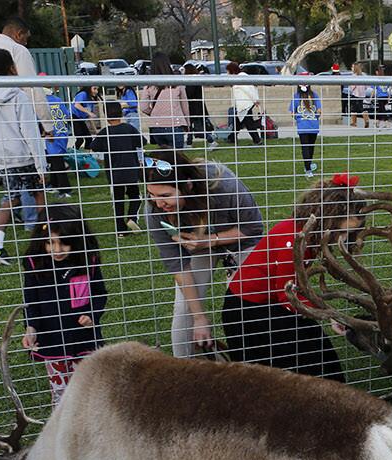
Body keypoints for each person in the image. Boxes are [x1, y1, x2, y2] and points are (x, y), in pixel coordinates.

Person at [221, 174, 360, 381]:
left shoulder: (306, 233)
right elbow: (287, 297)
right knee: (298, 365)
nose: (343, 238)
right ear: (329, 219)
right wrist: (328, 314)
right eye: (341, 232)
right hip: (248, 314)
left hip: (270, 305)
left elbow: (291, 289)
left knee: (316, 350)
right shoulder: (295, 240)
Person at [144, 149, 265, 356]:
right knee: (184, 308)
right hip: (196, 244)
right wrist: (199, 317)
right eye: (152, 195)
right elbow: (178, 266)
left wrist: (208, 240)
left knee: (246, 301)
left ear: (187, 185)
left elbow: (253, 228)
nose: (158, 203)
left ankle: (253, 360)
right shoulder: (155, 211)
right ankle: (182, 369)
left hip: (239, 239)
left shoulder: (223, 184)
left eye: (165, 196)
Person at [22, 204, 110, 403]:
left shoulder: (88, 260)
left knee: (90, 389)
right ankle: (62, 428)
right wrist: (31, 327)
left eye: (64, 243)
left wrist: (92, 315)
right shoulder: (35, 263)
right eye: (50, 243)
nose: (57, 250)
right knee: (60, 392)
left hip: (84, 337)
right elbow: (30, 300)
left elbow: (99, 293)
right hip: (52, 339)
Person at [0, 48, 48, 266]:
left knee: (10, 197)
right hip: (24, 156)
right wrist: (42, 165)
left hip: (3, 156)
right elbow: (30, 132)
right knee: (38, 194)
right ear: (13, 67)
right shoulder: (20, 96)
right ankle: (45, 239)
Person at [0, 15, 53, 138]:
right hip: (18, 119)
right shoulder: (18, 50)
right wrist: (47, 124)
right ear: (19, 34)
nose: (26, 42)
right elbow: (32, 89)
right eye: (26, 38)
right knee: (27, 154)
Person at [87, 102, 149, 238]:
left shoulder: (105, 133)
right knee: (135, 196)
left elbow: (93, 146)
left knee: (118, 200)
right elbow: (143, 142)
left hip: (114, 172)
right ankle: (132, 217)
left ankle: (120, 230)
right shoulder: (129, 128)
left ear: (106, 116)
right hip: (130, 169)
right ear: (121, 114)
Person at [141, 53, 189, 150]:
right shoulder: (177, 83)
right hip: (175, 124)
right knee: (178, 158)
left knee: (164, 158)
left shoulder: (149, 85)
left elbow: (143, 107)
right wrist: (187, 122)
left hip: (156, 126)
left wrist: (154, 113)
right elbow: (185, 105)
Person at [41, 74, 74, 199]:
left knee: (57, 161)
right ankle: (53, 184)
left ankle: (65, 189)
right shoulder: (58, 100)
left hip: (51, 135)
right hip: (62, 133)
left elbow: (39, 118)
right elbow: (66, 115)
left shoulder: (41, 103)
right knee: (55, 160)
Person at [227, 61, 264, 145]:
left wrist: (255, 100)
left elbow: (249, 90)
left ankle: (257, 140)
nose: (227, 73)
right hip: (243, 104)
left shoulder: (240, 78)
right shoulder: (240, 77)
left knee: (248, 123)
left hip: (245, 104)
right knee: (238, 122)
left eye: (228, 71)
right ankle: (231, 138)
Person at [290, 83, 322, 178]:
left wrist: (299, 119)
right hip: (313, 125)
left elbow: (292, 112)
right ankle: (308, 166)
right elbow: (319, 111)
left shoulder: (296, 96)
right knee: (311, 147)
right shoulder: (314, 95)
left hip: (302, 126)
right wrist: (315, 117)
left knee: (305, 147)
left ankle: (308, 169)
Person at [182, 64, 216, 148]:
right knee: (191, 126)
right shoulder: (196, 79)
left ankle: (211, 140)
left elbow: (189, 93)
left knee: (198, 128)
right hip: (196, 107)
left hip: (194, 108)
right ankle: (189, 142)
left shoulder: (192, 80)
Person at [71, 84, 101, 149]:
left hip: (80, 119)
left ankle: (87, 155)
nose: (96, 91)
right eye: (94, 89)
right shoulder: (83, 94)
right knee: (80, 140)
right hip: (73, 116)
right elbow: (77, 105)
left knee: (89, 138)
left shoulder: (91, 101)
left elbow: (90, 117)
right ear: (89, 88)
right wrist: (89, 112)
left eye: (97, 89)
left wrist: (96, 130)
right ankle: (73, 154)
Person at [348, 62, 371, 128]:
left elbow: (352, 86)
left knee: (353, 109)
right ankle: (366, 120)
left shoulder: (353, 76)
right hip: (362, 94)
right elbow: (367, 86)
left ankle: (354, 122)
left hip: (355, 94)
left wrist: (351, 89)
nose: (351, 68)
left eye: (352, 67)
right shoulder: (363, 76)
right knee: (362, 108)